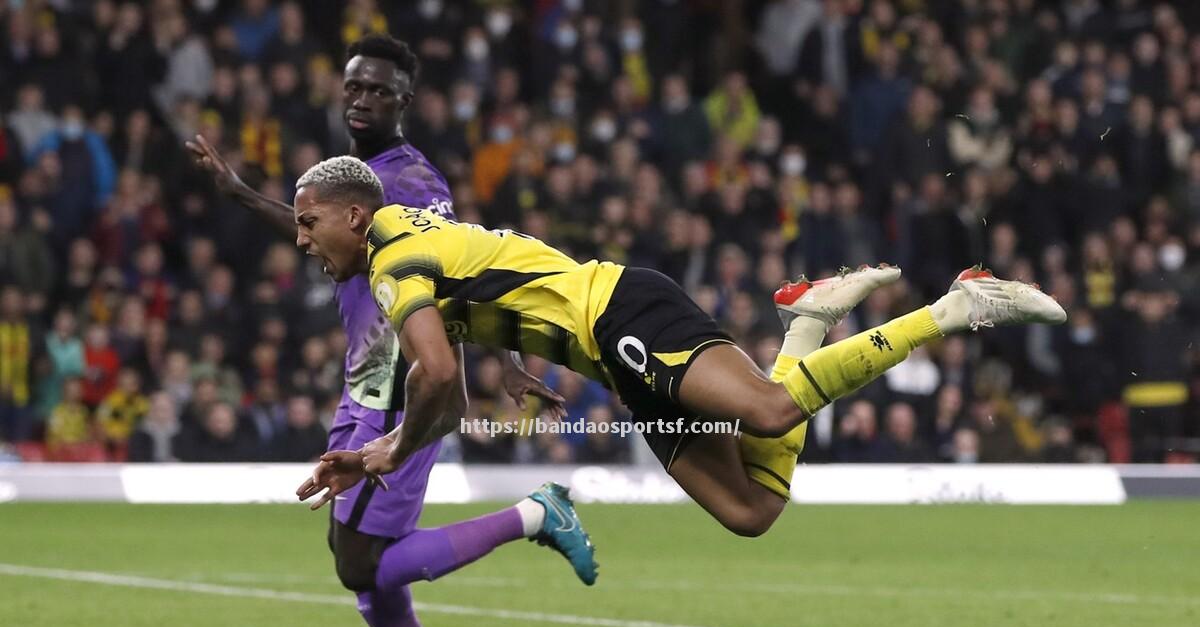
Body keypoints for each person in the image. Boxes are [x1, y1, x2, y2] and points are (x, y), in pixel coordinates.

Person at [291, 155, 1067, 536]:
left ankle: (958, 305)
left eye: (307, 221)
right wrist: (502, 366)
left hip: (620, 310)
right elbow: (452, 392)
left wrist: (382, 453)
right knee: (751, 509)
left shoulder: (392, 265)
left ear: (355, 217)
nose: (301, 239)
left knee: (767, 408)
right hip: (615, 357)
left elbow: (434, 373)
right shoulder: (407, 240)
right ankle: (805, 323)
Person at [187, 35, 591, 627]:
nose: (361, 99)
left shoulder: (410, 181)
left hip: (404, 386)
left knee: (359, 561)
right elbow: (316, 234)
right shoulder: (353, 179)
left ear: (404, 100)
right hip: (364, 384)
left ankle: (535, 513)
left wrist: (500, 356)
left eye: (377, 89)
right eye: (352, 87)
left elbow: (458, 269)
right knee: (359, 557)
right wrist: (242, 192)